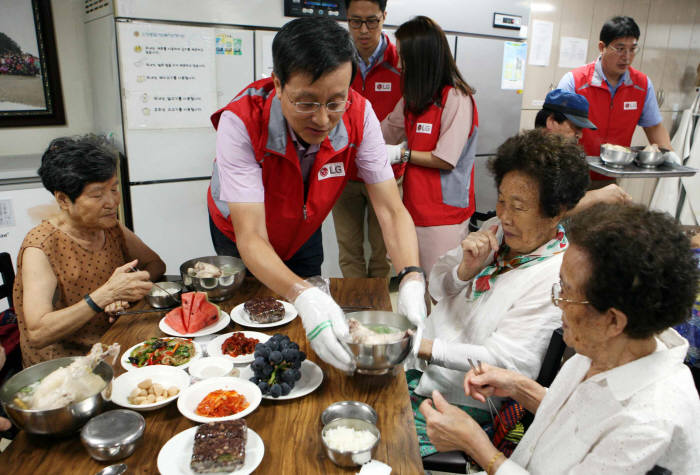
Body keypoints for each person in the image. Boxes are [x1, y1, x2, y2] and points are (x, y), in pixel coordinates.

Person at [206, 17, 426, 372]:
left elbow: (389, 208)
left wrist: (412, 277)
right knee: (254, 316)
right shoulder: (242, 121)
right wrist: (301, 294)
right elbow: (252, 236)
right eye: (306, 103)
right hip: (241, 231)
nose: (323, 120)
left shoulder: (359, 112)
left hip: (304, 223)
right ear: (278, 84)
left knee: (309, 316)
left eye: (335, 102)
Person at [420, 203, 700, 475]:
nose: (558, 302)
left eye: (566, 291)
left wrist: (477, 446)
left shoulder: (648, 423)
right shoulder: (606, 350)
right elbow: (580, 418)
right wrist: (519, 387)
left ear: (613, 320)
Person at [408, 130, 589, 457]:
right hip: (420, 369)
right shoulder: (497, 230)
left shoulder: (555, 276)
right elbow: (437, 287)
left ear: (557, 211)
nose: (504, 214)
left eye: (518, 206)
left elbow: (507, 363)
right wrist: (464, 270)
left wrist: (422, 346)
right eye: (502, 199)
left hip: (460, 399)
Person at [13, 136, 164, 367]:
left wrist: (125, 293)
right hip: (67, 366)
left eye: (114, 189)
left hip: (113, 341)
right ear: (63, 199)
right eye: (97, 195)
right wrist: (104, 296)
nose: (112, 202)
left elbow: (155, 265)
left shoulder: (110, 226)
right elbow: (38, 332)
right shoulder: (41, 247)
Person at [381, 16, 478, 274]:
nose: (399, 64)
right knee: (416, 284)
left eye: (404, 56)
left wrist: (402, 154)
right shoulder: (415, 99)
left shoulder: (456, 98)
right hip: (415, 208)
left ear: (421, 58)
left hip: (443, 215)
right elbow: (385, 131)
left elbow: (445, 158)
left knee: (440, 290)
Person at [558, 16, 679, 186]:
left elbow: (654, 127)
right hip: (570, 176)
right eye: (620, 48)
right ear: (602, 47)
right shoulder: (575, 81)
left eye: (632, 49)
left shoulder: (642, 85)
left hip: (611, 176)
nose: (627, 57)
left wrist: (669, 154)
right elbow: (554, 129)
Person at [332, 0, 404, 279]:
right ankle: (353, 314)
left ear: (384, 16)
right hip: (344, 172)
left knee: (382, 254)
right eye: (355, 21)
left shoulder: (401, 63)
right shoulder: (336, 62)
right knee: (349, 251)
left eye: (371, 21)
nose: (363, 30)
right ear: (346, 19)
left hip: (385, 174)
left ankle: (377, 315)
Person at [535, 88, 632, 213]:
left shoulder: (559, 158)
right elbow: (546, 211)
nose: (579, 135)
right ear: (552, 122)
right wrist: (596, 196)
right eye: (576, 127)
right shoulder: (533, 159)